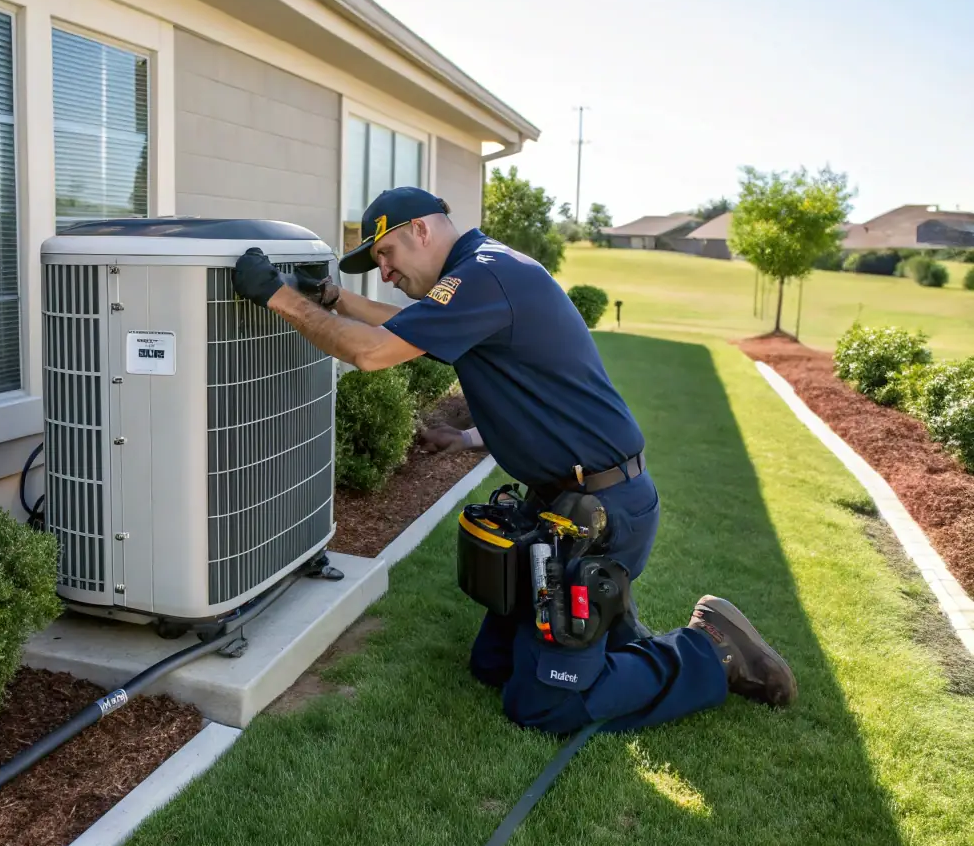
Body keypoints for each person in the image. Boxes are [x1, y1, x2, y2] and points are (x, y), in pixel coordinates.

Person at [232, 186, 797, 734]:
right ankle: (610, 631)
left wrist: (278, 297)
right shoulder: (481, 271)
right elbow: (404, 326)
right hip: (562, 505)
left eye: (385, 253)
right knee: (492, 666)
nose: (384, 271)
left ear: (421, 230)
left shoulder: (483, 276)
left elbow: (372, 351)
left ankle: (711, 650)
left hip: (599, 514)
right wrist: (332, 299)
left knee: (542, 705)